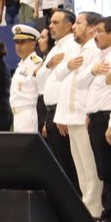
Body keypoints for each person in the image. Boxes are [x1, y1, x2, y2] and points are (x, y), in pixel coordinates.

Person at [79, 16, 111, 222]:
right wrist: (91, 70)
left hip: (109, 117)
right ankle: (110, 212)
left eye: (99, 31)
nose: (95, 34)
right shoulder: (99, 56)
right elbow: (82, 83)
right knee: (103, 169)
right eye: (94, 31)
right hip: (95, 117)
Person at [53, 12, 104, 220]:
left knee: (90, 167)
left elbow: (90, 84)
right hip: (71, 115)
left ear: (92, 28)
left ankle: (93, 211)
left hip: (84, 115)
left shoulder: (95, 50)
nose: (74, 27)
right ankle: (87, 206)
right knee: (80, 167)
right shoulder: (75, 49)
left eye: (79, 23)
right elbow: (60, 78)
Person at [36, 10, 80, 187]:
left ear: (69, 25)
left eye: (55, 22)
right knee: (59, 164)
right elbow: (40, 79)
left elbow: (68, 83)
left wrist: (62, 114)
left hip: (62, 111)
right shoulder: (55, 48)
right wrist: (49, 64)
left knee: (70, 164)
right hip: (50, 112)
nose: (51, 26)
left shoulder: (73, 46)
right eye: (50, 23)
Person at [9, 25, 43, 133]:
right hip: (17, 114)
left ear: (33, 44)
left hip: (28, 114)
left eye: (22, 42)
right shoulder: (21, 65)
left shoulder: (37, 63)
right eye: (16, 42)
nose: (18, 46)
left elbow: (42, 92)